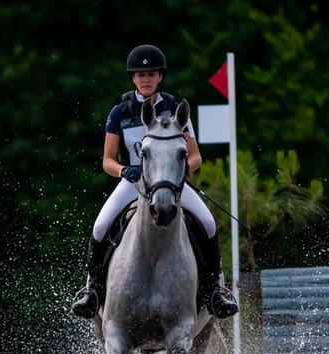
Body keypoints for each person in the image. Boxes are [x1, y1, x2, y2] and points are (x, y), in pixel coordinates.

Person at [71, 44, 239, 320]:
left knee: (207, 222)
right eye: (139, 74)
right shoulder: (119, 113)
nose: (145, 79)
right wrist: (125, 171)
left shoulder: (175, 109)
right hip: (134, 182)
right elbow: (107, 161)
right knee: (101, 225)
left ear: (160, 76)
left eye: (150, 73)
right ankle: (93, 291)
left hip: (168, 184)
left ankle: (215, 290)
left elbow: (195, 157)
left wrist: (177, 171)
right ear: (133, 79)